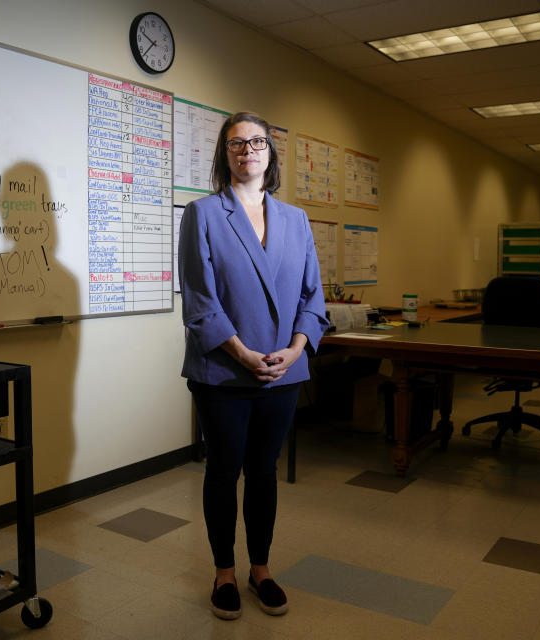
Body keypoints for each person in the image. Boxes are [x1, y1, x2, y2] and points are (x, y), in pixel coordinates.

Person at [178, 112, 329, 620]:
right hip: (223, 371)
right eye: (236, 143)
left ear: (270, 151)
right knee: (223, 471)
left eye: (257, 141)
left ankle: (260, 568)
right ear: (225, 155)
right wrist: (243, 354)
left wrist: (297, 347)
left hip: (284, 371)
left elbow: (314, 297)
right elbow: (200, 302)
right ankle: (223, 571)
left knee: (263, 473)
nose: (248, 150)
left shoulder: (296, 220)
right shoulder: (202, 215)